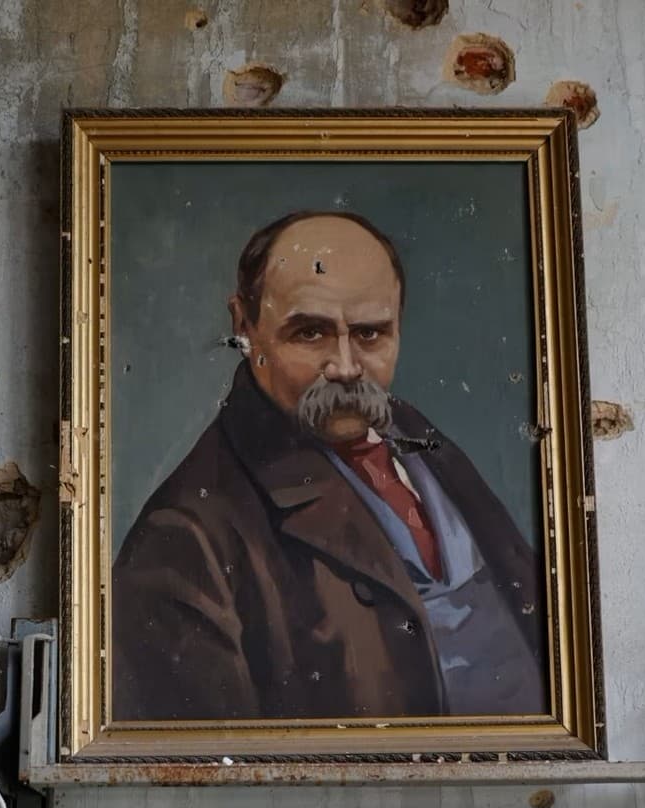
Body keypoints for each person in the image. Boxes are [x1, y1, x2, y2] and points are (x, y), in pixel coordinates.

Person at [111, 209, 546, 721]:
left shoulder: (410, 428)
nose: (344, 366)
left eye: (370, 334)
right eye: (311, 333)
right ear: (244, 326)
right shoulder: (186, 539)